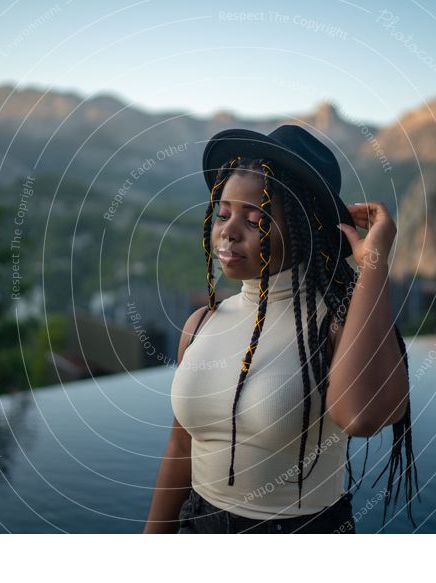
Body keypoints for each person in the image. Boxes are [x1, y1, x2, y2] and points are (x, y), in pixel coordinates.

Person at [143, 125, 419, 534]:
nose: (228, 231)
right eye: (222, 214)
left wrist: (373, 264)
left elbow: (363, 417)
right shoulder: (201, 324)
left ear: (303, 225)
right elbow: (181, 447)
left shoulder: (336, 325)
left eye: (254, 219)